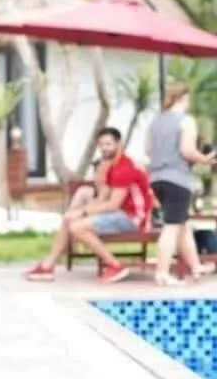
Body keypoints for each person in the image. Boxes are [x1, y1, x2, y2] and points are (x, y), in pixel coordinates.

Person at [26, 127, 153, 284]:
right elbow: (102, 198)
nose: (104, 148)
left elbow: (113, 205)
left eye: (108, 144)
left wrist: (83, 212)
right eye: (101, 144)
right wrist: (79, 211)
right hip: (119, 214)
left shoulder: (125, 168)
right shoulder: (111, 166)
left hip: (133, 218)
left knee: (77, 227)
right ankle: (47, 267)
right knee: (69, 220)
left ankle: (115, 265)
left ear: (119, 144)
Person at [146, 83, 217, 286]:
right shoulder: (186, 120)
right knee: (171, 227)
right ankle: (162, 273)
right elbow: (187, 150)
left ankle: (195, 267)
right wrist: (205, 159)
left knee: (182, 225)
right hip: (177, 179)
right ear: (184, 97)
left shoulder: (156, 121)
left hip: (157, 178)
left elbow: (148, 149)